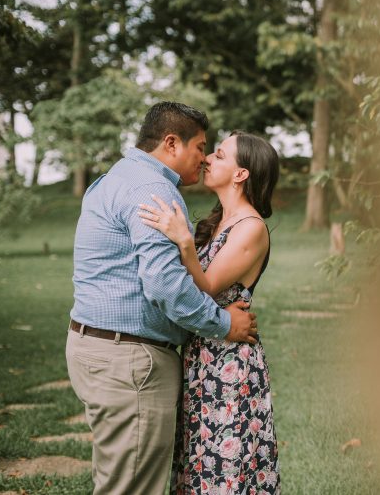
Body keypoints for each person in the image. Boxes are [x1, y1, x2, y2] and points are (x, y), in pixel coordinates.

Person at [66, 102, 259, 495]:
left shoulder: (118, 176)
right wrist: (226, 324)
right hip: (130, 363)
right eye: (201, 147)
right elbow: (164, 286)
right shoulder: (152, 190)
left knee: (118, 478)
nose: (203, 158)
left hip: (96, 346)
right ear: (172, 143)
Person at [138, 131, 281, 494]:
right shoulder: (219, 222)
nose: (207, 160)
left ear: (240, 174)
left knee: (225, 466)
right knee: (198, 463)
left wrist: (183, 240)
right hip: (202, 354)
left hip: (229, 363)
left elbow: (206, 285)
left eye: (219, 155)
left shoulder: (251, 228)